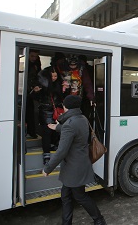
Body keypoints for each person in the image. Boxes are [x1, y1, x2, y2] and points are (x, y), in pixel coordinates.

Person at [43, 95, 106, 225]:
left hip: (73, 168)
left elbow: (61, 151)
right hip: (78, 165)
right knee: (66, 196)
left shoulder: (69, 124)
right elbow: (75, 131)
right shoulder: (82, 118)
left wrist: (48, 168)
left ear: (66, 107)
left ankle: (99, 220)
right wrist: (58, 128)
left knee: (80, 196)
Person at [35, 66, 64, 164]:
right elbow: (34, 97)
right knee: (47, 133)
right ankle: (46, 155)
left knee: (57, 131)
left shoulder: (59, 84)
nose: (54, 78)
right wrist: (36, 91)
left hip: (57, 111)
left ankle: (52, 149)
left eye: (56, 76)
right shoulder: (42, 84)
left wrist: (65, 89)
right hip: (46, 111)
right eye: (52, 76)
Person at [26, 49, 42, 138]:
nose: (34, 58)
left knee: (30, 112)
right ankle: (31, 132)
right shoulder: (30, 65)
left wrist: (36, 86)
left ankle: (31, 131)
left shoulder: (36, 65)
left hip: (31, 92)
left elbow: (37, 77)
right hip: (27, 91)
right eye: (32, 56)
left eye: (35, 56)